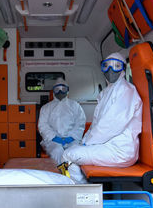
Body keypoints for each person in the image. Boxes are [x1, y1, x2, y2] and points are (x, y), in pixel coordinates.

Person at [61, 53, 143, 183]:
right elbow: (96, 124)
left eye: (116, 66)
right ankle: (77, 186)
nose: (111, 70)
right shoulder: (106, 92)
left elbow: (110, 126)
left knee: (67, 156)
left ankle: (81, 190)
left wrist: (87, 143)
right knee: (71, 150)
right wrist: (84, 142)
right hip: (108, 147)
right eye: (106, 66)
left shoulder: (126, 90)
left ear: (123, 69)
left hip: (120, 151)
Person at [38, 78, 86, 164]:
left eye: (63, 89)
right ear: (53, 91)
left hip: (72, 139)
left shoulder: (75, 106)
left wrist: (71, 137)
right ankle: (61, 172)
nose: (60, 91)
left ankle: (72, 172)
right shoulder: (46, 108)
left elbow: (80, 123)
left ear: (67, 90)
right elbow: (43, 125)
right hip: (52, 141)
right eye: (57, 89)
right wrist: (54, 137)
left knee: (74, 152)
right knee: (57, 151)